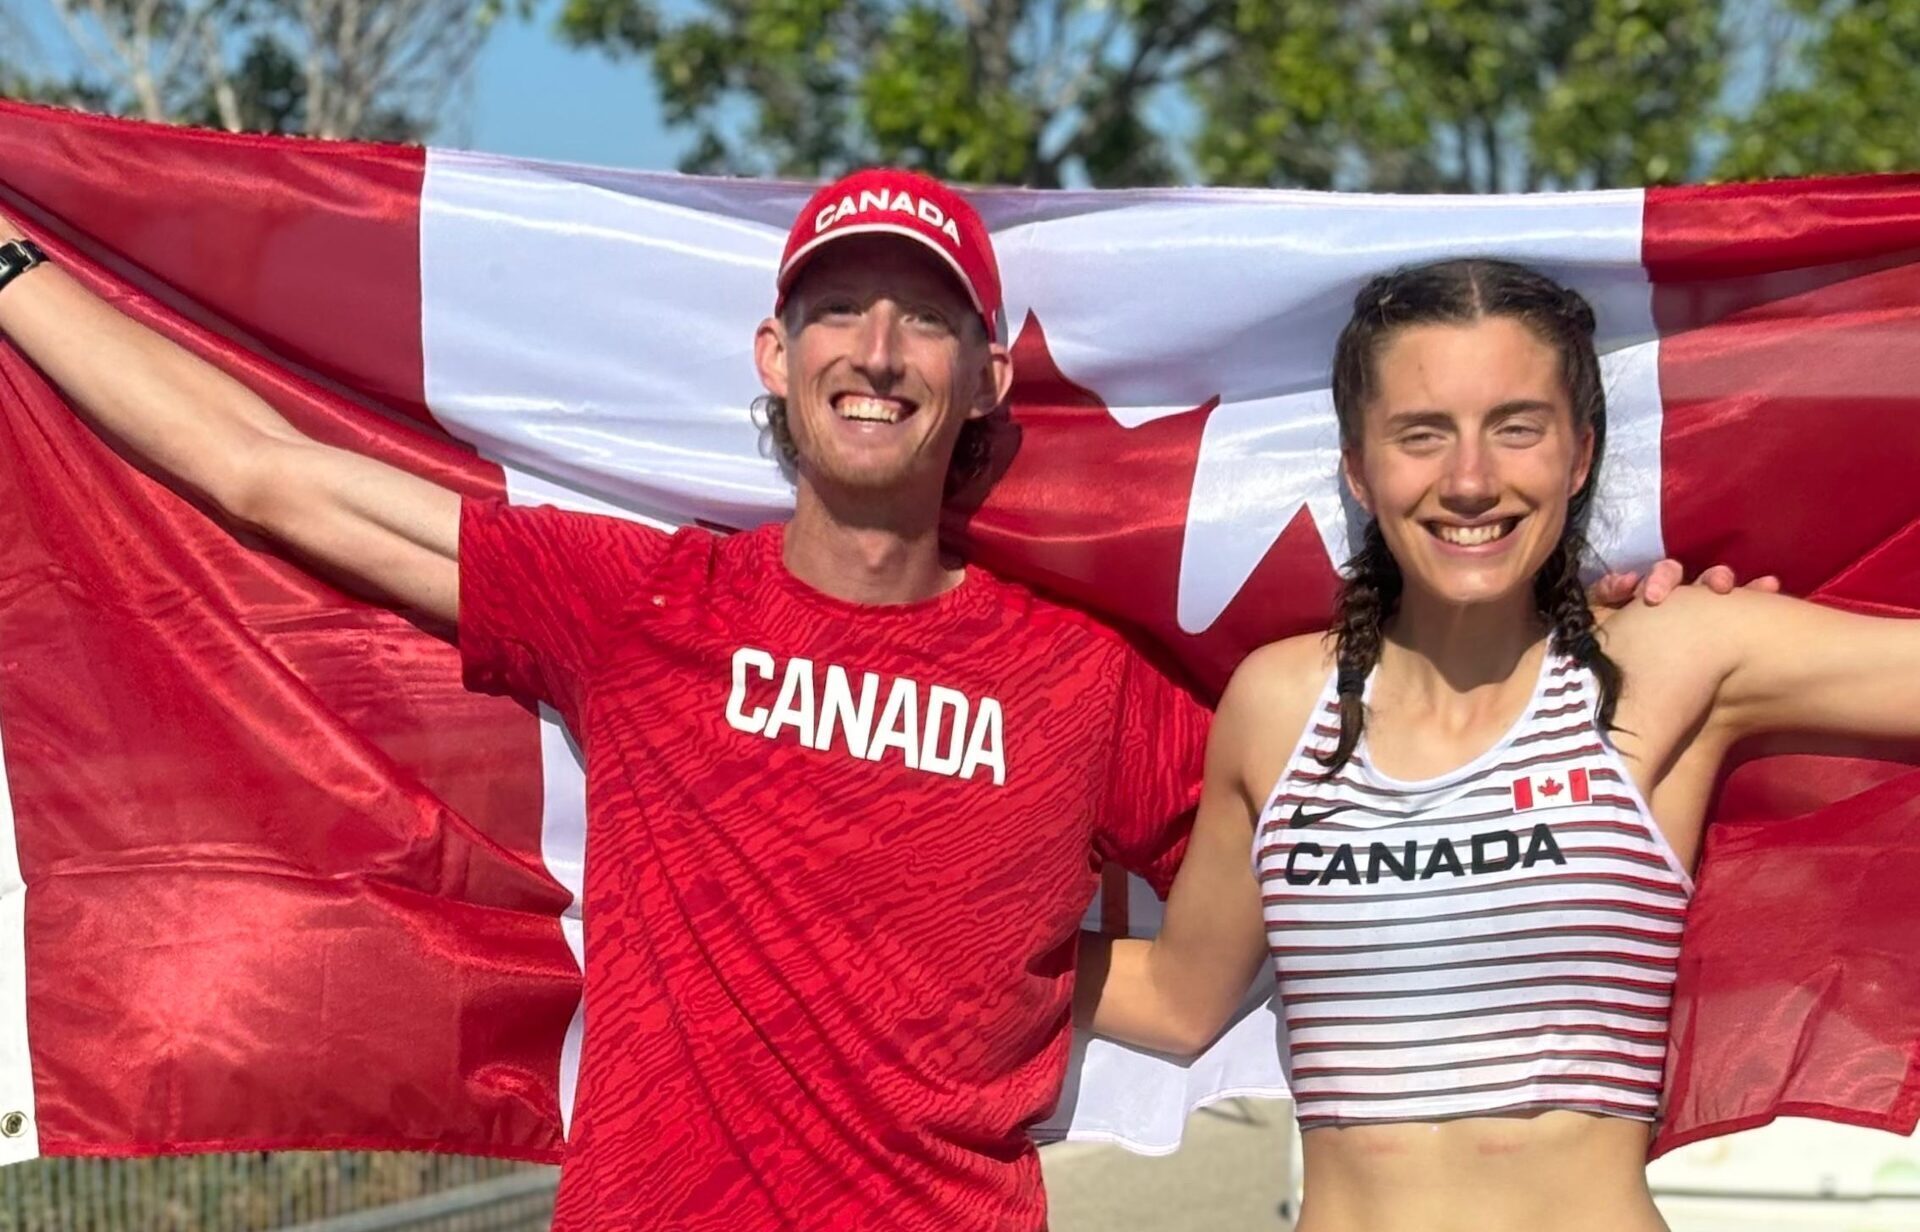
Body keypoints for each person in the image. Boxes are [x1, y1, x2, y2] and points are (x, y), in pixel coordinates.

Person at [0, 181, 1738, 1230]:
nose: (880, 351)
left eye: (925, 320)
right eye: (841, 311)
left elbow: (1325, 848)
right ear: (776, 358)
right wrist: (14, 271)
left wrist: (1549, 631)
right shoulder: (643, 605)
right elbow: (266, 474)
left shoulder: (1084, 682)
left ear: (984, 376)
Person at [1075, 255, 1920, 1232]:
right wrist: (915, 929)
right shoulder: (1277, 704)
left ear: (1581, 452)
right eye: (1422, 434)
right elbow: (1182, 997)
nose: (1470, 480)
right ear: (1358, 465)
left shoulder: (1679, 651)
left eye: (1516, 428)